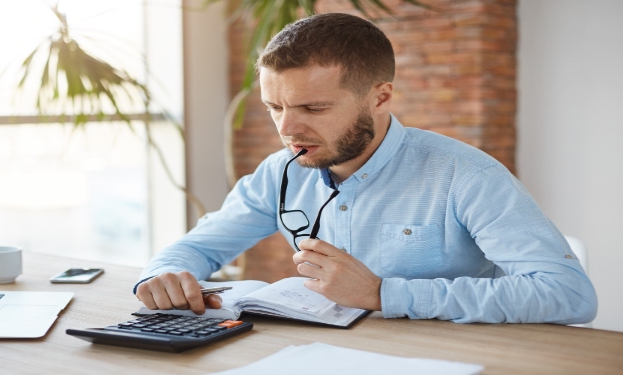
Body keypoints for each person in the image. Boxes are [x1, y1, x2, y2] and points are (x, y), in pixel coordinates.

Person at [134, 12, 597, 324]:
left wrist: (382, 295)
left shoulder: (466, 176)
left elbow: (570, 295)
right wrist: (164, 276)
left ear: (380, 96)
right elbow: (196, 248)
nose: (287, 128)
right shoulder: (281, 173)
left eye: (313, 108)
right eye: (274, 107)